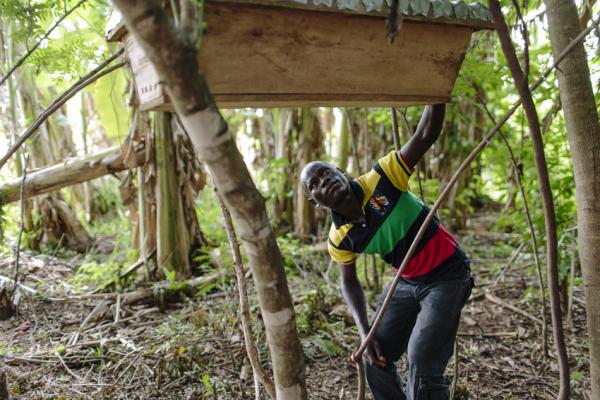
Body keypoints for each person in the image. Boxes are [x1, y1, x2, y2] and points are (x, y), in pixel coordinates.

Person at [300, 104, 473, 400]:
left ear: (340, 171)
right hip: (408, 282)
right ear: (315, 202)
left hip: (448, 275)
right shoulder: (340, 238)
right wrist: (364, 332)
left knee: (421, 358)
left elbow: (425, 133)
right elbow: (349, 281)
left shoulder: (383, 178)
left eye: (325, 172)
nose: (323, 181)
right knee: (373, 354)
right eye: (314, 184)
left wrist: (437, 92)